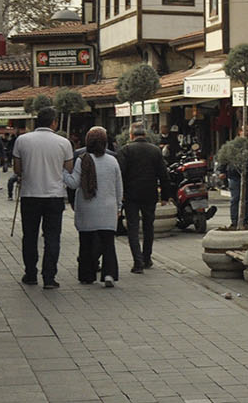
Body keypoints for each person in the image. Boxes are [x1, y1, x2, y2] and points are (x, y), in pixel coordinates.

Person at [12, 107, 75, 289]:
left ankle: (30, 273)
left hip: (30, 195)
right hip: (54, 195)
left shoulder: (22, 140)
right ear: (54, 122)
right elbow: (69, 168)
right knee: (52, 237)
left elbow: (17, 169)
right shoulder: (64, 143)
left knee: (30, 236)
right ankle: (49, 277)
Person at [62, 127, 124, 287]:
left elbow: (74, 183)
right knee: (108, 243)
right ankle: (109, 274)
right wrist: (118, 207)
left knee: (86, 243)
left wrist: (63, 172)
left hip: (87, 208)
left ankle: (87, 275)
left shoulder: (83, 159)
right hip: (108, 208)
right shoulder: (113, 161)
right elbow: (119, 187)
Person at [117, 123, 171, 273]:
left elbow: (119, 174)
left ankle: (137, 262)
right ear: (145, 135)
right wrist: (165, 196)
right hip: (149, 194)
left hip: (131, 195)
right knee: (149, 227)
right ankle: (147, 258)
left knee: (133, 228)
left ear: (131, 135)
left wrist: (119, 194)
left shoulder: (125, 150)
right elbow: (163, 175)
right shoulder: (155, 151)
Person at [224, 124, 248, 228]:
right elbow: (224, 157)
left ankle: (245, 220)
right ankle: (234, 222)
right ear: (239, 132)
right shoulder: (232, 145)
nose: (247, 133)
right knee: (236, 198)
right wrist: (221, 171)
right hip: (235, 176)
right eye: (245, 131)